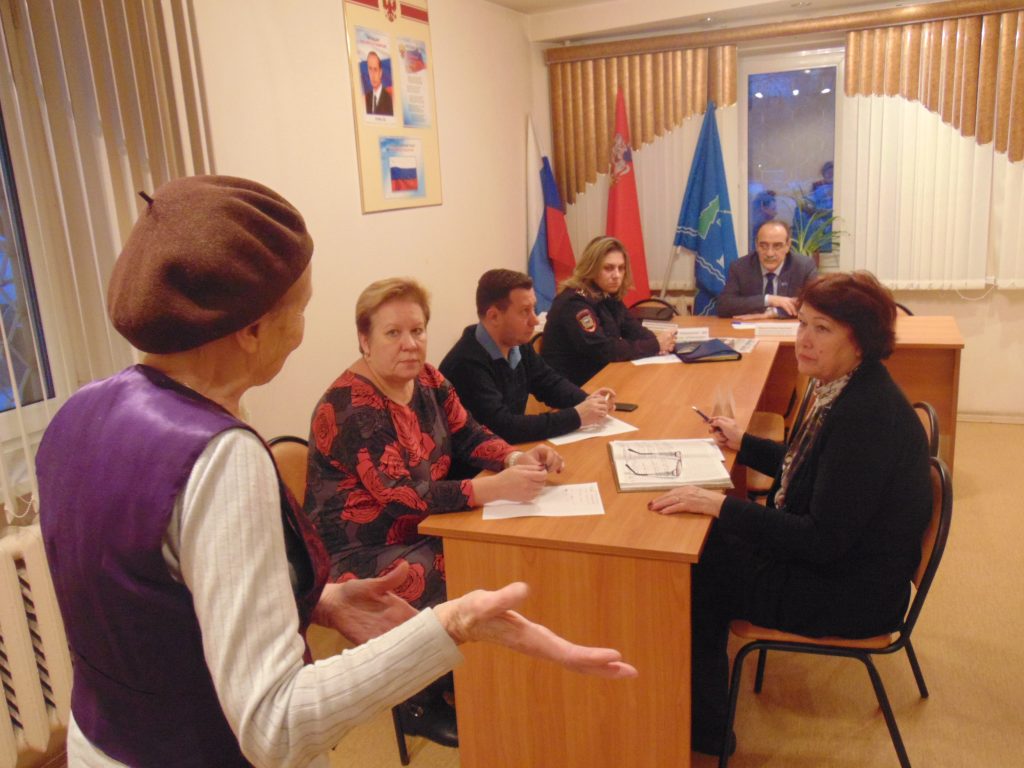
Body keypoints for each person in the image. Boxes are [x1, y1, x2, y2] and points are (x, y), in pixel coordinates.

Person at [35, 176, 636, 768]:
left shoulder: (77, 415)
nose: (300, 334)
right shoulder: (219, 457)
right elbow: (275, 728)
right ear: (251, 329)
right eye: (299, 310)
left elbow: (158, 603)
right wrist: (450, 626)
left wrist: (316, 600)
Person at [649, 271, 931, 757]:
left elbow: (820, 539)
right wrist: (745, 443)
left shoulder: (866, 416)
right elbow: (811, 471)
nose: (803, 339)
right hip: (844, 563)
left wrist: (719, 504)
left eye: (822, 329)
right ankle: (697, 709)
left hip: (852, 592)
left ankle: (706, 731)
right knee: (709, 541)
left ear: (860, 341)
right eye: (802, 323)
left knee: (698, 571)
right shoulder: (843, 388)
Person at [305, 276, 567, 745]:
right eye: (393, 333)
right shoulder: (350, 406)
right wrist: (491, 490)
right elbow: (402, 496)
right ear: (364, 340)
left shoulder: (427, 378)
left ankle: (479, 677)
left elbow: (469, 433)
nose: (410, 344)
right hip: (362, 549)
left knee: (494, 549)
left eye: (418, 330)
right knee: (459, 565)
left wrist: (514, 458)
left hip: (421, 524)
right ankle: (418, 700)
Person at [439, 268, 616, 453]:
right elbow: (504, 428)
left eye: (533, 308)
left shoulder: (517, 344)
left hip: (508, 453)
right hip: (476, 465)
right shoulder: (466, 364)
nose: (534, 320)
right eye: (525, 311)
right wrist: (577, 416)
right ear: (494, 316)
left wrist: (589, 401)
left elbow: (549, 383)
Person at [541, 235, 675, 386]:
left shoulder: (607, 295)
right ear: (591, 268)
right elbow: (603, 349)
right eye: (608, 268)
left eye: (621, 268)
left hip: (599, 378)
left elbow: (634, 329)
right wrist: (655, 345)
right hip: (573, 389)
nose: (616, 275)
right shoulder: (575, 303)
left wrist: (661, 344)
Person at [716, 220, 818, 319]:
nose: (770, 253)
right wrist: (769, 299)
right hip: (751, 328)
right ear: (756, 245)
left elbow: (814, 307)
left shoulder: (804, 267)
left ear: (788, 246)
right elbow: (724, 306)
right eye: (763, 246)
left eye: (777, 246)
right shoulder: (740, 267)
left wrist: (774, 313)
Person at [364, 51, 394, 116]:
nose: (372, 75)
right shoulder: (367, 98)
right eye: (370, 69)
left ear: (380, 73)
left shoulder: (389, 99)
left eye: (375, 69)